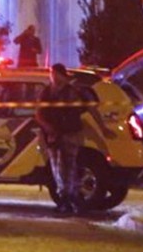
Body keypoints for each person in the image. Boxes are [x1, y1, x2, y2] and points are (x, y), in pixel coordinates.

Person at [36, 63, 114, 215]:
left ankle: (69, 198)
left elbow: (92, 109)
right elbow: (39, 113)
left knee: (69, 166)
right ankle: (65, 199)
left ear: (61, 74)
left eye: (55, 73)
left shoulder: (73, 92)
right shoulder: (47, 92)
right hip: (53, 135)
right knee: (57, 167)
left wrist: (103, 128)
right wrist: (48, 128)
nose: (52, 77)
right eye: (51, 74)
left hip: (70, 133)